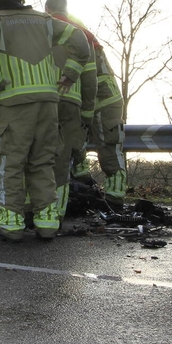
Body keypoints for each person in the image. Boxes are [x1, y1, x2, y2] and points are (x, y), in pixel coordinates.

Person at [0, 0, 90, 242]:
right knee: (43, 163)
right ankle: (47, 223)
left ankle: (12, 226)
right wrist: (70, 74)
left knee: (11, 164)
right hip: (48, 103)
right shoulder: (44, 20)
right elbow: (80, 42)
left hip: (15, 104)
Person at [44, 0, 97, 221]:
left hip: (44, 99)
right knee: (62, 160)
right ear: (66, 9)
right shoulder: (82, 34)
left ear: (47, 8)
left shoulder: (42, 28)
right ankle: (56, 213)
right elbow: (90, 80)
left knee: (40, 154)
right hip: (71, 103)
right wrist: (86, 114)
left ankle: (36, 210)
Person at [71, 20, 128, 208]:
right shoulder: (76, 28)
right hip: (90, 99)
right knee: (76, 144)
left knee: (109, 149)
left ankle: (114, 200)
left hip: (103, 101)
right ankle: (85, 187)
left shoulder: (70, 32)